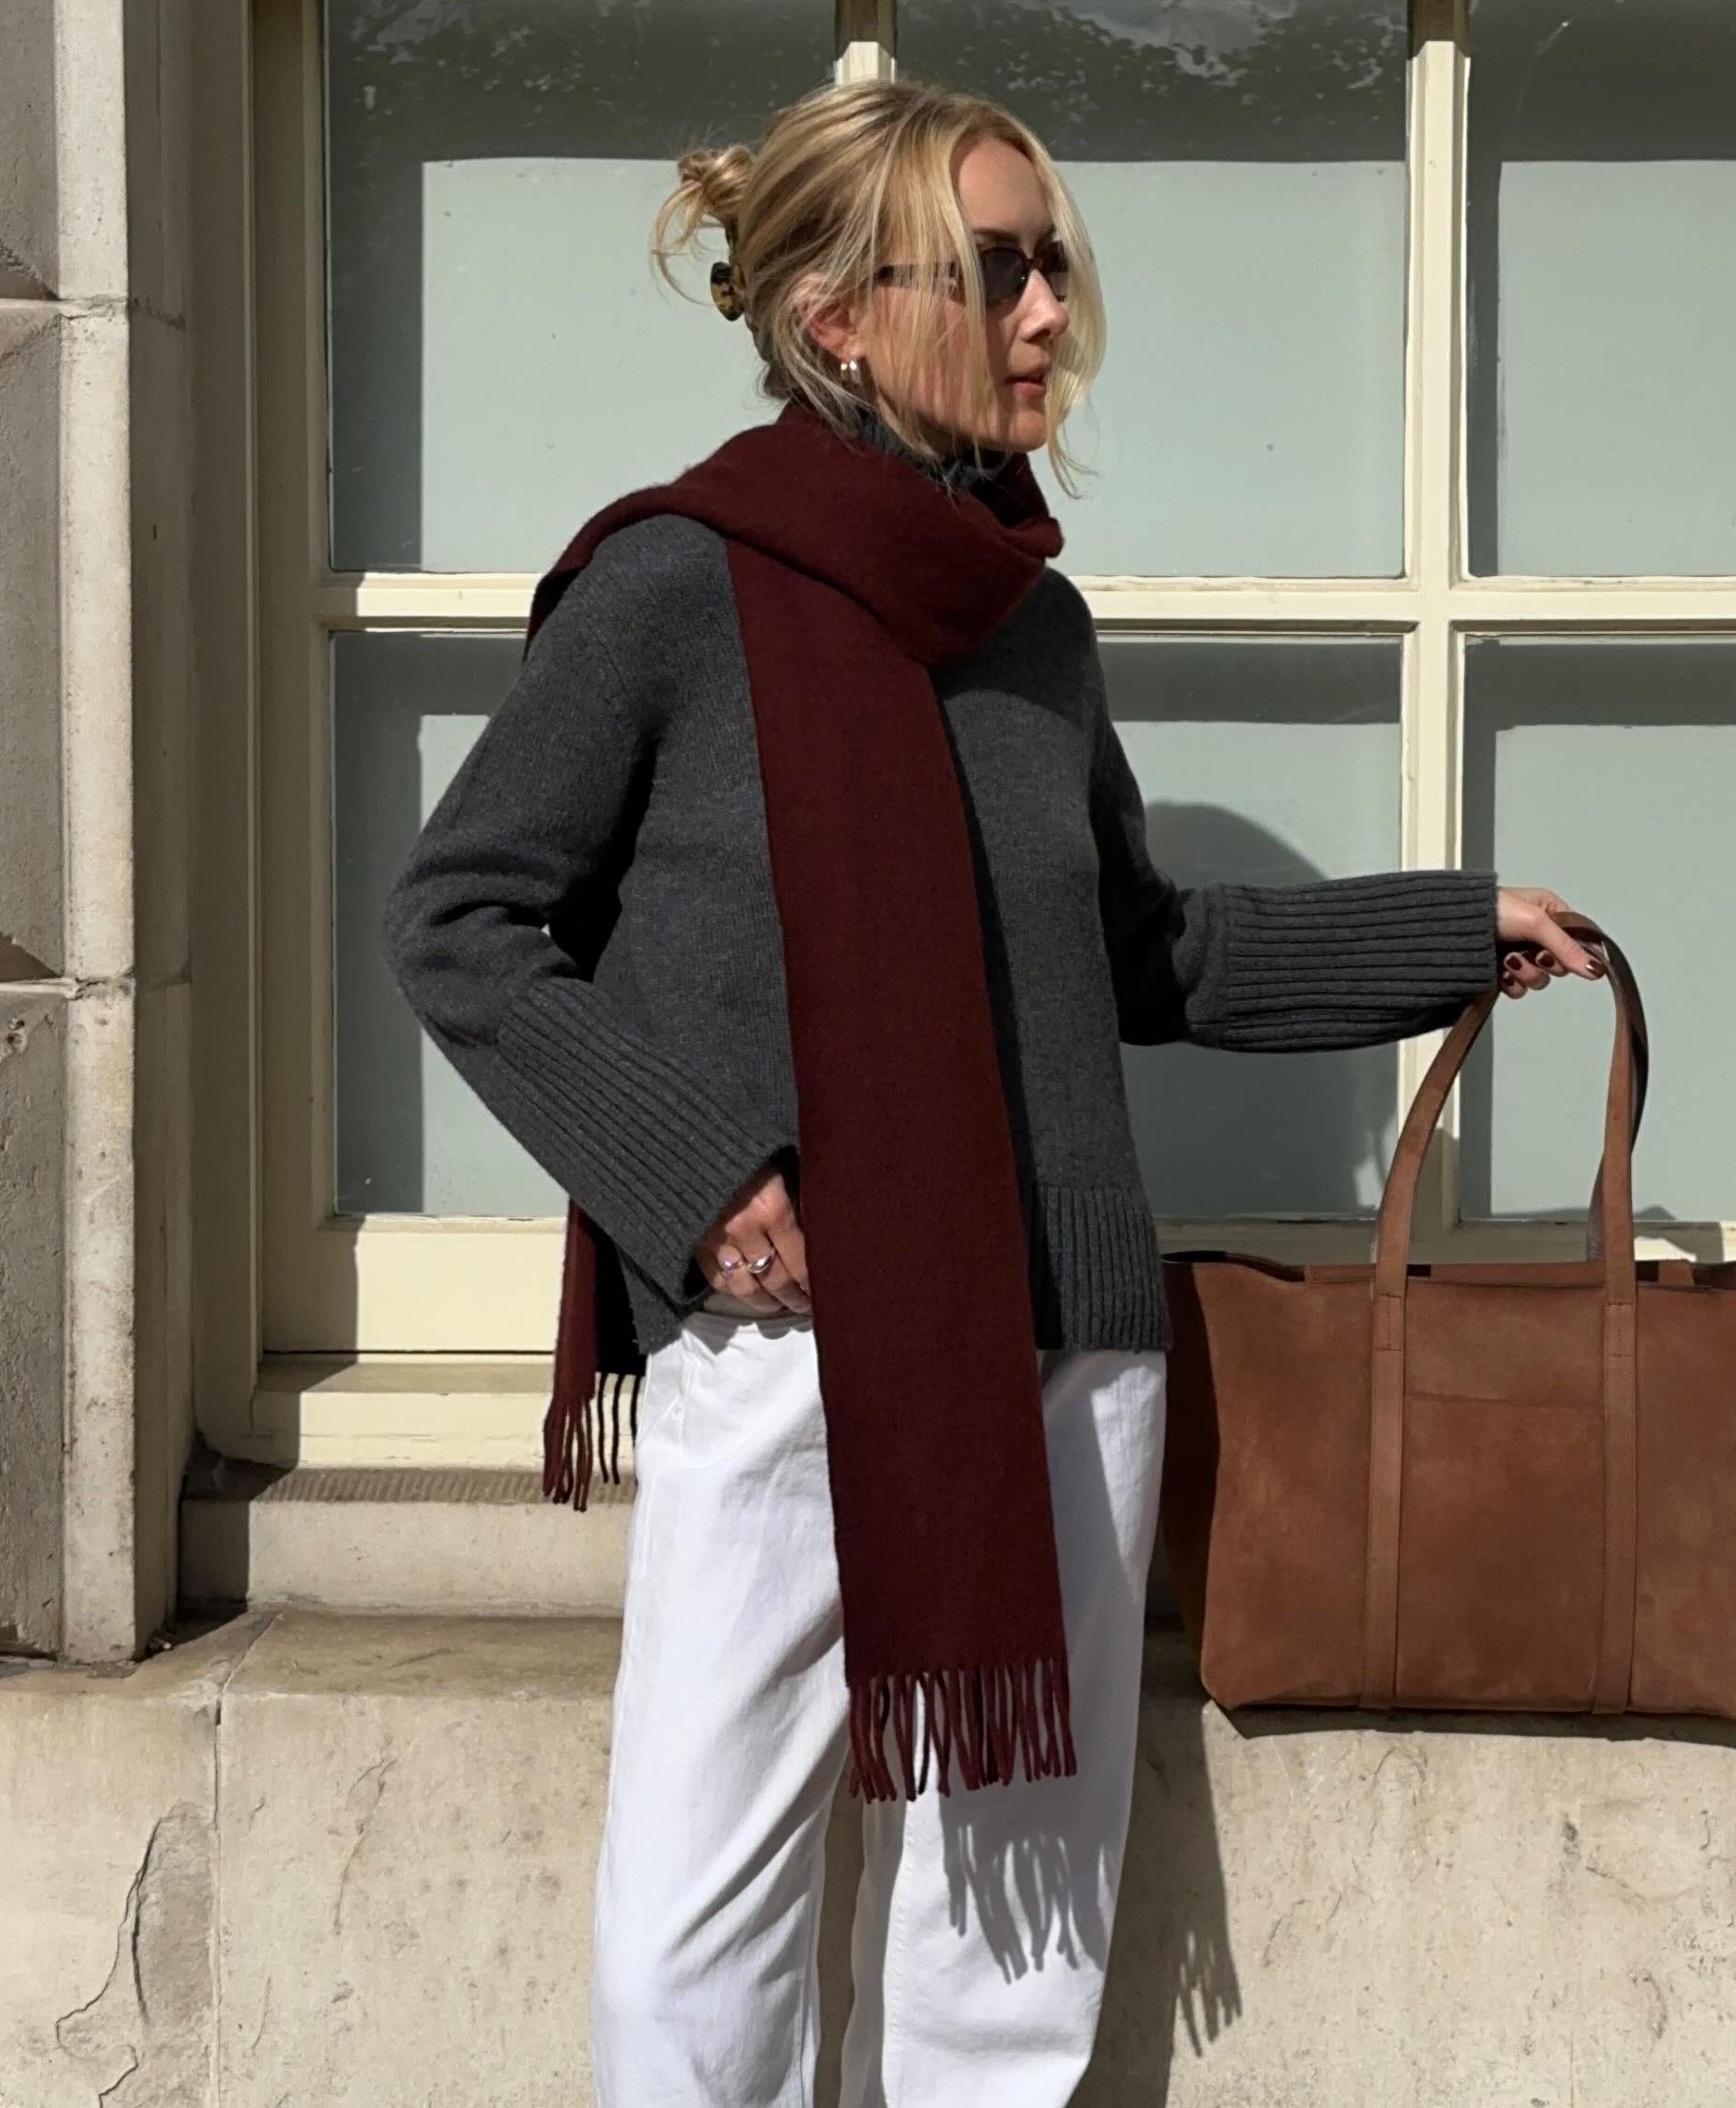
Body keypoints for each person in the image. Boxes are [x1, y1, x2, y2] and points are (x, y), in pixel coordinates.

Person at [382, 72, 1599, 2108]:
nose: (1049, 313)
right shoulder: (678, 588)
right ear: (842, 318)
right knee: (707, 1917)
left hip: (1065, 1340)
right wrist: (698, 1186)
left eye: (1055, 266)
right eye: (999, 270)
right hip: (793, 1350)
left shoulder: (1032, 631)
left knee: (1018, 1930)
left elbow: (1145, 952)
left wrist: (1450, 933)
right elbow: (462, 921)